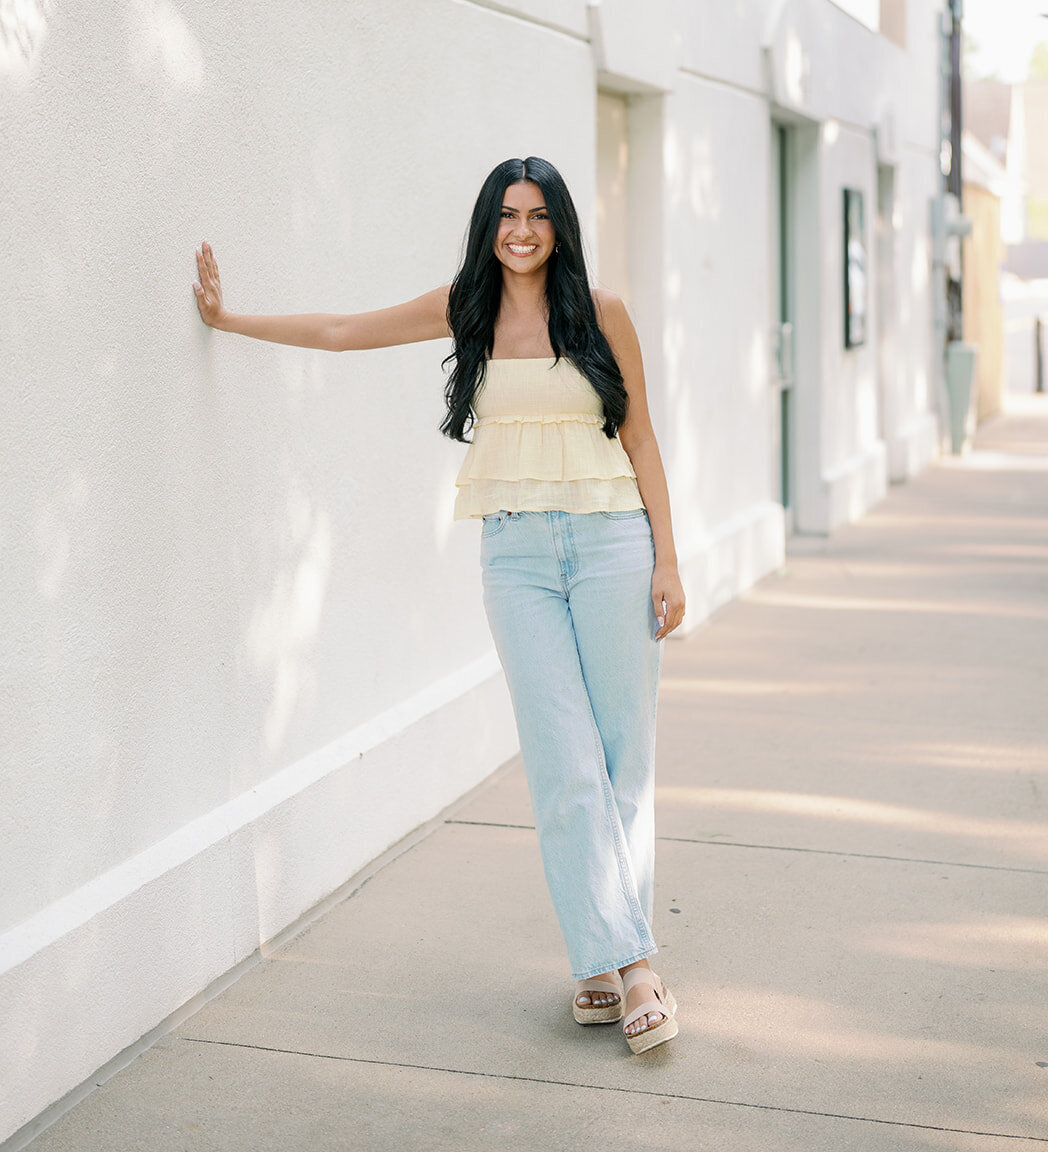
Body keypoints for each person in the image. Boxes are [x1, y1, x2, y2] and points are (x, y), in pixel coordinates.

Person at [193, 154, 686, 1053]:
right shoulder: (467, 305)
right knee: (564, 764)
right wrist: (230, 320)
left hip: (615, 544)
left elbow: (642, 436)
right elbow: (343, 330)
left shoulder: (602, 312)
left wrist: (669, 561)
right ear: (487, 225)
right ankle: (634, 965)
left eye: (537, 214)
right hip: (517, 557)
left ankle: (603, 964)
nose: (522, 230)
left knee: (621, 764)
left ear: (559, 224)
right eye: (506, 214)